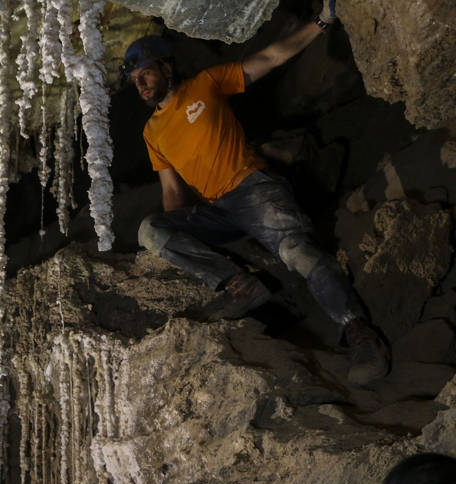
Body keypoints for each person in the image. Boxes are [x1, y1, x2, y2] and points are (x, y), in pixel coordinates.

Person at [123, 2, 390, 385]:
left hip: (254, 189)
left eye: (145, 74)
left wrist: (320, 21)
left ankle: (359, 333)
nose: (141, 84)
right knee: (150, 230)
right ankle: (240, 284)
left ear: (165, 67)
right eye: (135, 80)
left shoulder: (206, 84)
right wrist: (178, 244)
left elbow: (270, 56)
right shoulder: (152, 132)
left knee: (298, 252)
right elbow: (171, 191)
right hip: (217, 210)